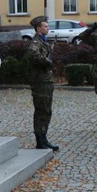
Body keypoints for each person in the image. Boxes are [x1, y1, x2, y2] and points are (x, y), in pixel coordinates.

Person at [25, 16, 59, 151]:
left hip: (45, 80)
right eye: (45, 26)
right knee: (41, 110)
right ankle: (40, 139)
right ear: (38, 28)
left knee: (46, 110)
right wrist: (46, 61)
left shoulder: (42, 41)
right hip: (40, 81)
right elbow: (32, 53)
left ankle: (44, 137)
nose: (48, 28)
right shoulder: (36, 41)